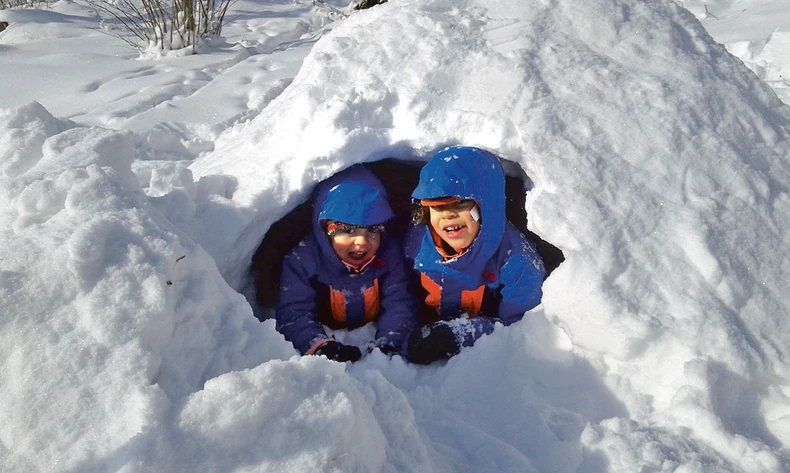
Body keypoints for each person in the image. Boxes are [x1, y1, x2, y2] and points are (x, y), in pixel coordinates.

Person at [404, 146, 546, 364]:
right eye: (437, 207)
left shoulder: (518, 264)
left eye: (460, 204)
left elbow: (520, 329)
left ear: (486, 205)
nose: (448, 215)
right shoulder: (416, 244)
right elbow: (399, 291)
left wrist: (460, 334)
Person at [275, 164, 419, 362]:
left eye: (373, 231)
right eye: (348, 231)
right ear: (326, 230)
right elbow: (293, 313)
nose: (361, 241)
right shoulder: (303, 259)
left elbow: (401, 304)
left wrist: (391, 341)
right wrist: (318, 346)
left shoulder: (389, 255)